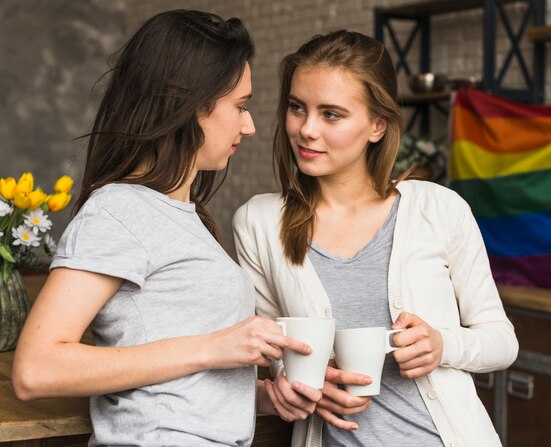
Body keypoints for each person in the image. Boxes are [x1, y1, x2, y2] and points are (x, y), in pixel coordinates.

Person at [12, 10, 320, 446]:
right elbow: (36, 369)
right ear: (194, 107)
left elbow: (174, 385)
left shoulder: (181, 216)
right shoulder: (119, 210)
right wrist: (214, 346)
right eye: (241, 106)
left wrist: (263, 397)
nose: (249, 126)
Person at [233, 30, 518, 447]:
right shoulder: (258, 222)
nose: (306, 130)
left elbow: (502, 341)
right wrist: (304, 384)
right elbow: (274, 354)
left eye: (331, 114)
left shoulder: (438, 208)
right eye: (297, 108)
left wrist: (442, 345)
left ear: (377, 126)